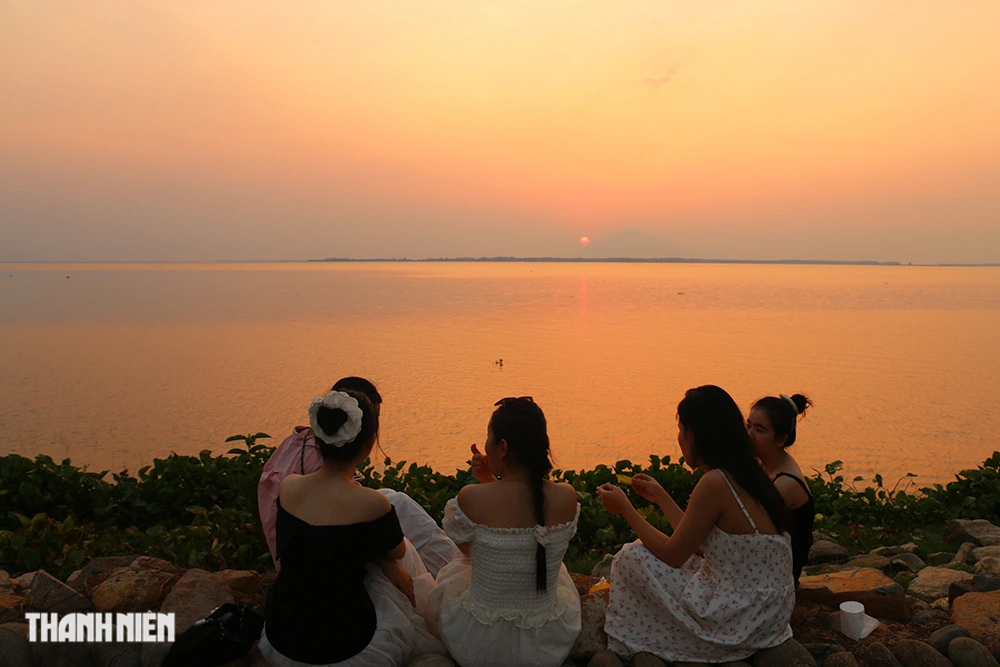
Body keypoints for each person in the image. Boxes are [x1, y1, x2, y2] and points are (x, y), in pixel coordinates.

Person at [597, 385, 795, 664]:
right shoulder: (751, 470)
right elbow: (701, 544)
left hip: (742, 619)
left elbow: (674, 555)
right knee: (682, 560)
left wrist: (625, 509)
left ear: (695, 435)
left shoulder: (715, 482)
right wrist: (661, 498)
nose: (679, 438)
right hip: (772, 613)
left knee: (631, 556)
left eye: (681, 430)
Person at [259, 388, 446, 666]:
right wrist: (385, 559)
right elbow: (397, 551)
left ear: (318, 437)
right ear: (369, 443)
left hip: (282, 634)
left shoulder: (289, 487)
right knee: (399, 557)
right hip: (344, 644)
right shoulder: (372, 503)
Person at [427, 397, 582, 667]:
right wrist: (490, 480)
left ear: (502, 447)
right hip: (546, 639)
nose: (485, 444)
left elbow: (471, 552)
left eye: (489, 437)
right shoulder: (567, 496)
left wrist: (487, 484)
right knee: (555, 569)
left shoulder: (471, 498)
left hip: (480, 641)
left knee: (456, 569)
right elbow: (522, 530)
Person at [258, 377, 459, 576]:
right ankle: (450, 573)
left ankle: (450, 568)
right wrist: (387, 563)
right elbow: (338, 531)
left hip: (295, 562)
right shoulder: (323, 471)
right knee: (399, 506)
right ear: (364, 436)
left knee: (394, 500)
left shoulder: (294, 447)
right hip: (320, 565)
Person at [748, 392, 814, 584]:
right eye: (748, 425)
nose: (749, 434)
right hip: (765, 561)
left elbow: (747, 524)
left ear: (780, 439)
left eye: (759, 430)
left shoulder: (786, 483)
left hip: (779, 576)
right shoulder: (765, 464)